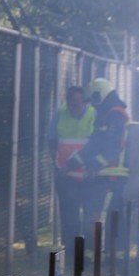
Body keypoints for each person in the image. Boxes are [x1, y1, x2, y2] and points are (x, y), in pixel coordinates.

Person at [65, 78, 129, 250]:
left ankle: (106, 257)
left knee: (103, 216)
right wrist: (73, 162)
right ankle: (96, 255)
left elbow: (112, 149)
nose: (92, 105)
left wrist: (94, 166)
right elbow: (94, 144)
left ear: (99, 94)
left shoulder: (115, 114)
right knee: (96, 214)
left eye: (93, 100)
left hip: (112, 176)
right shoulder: (106, 114)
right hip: (104, 175)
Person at [46, 85, 96, 254]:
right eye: (72, 102)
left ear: (84, 101)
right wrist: (57, 163)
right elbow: (52, 141)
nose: (75, 105)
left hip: (88, 175)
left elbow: (97, 143)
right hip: (65, 174)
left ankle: (89, 252)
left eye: (78, 101)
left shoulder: (93, 115)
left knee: (90, 215)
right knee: (69, 216)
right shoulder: (60, 113)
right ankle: (71, 252)